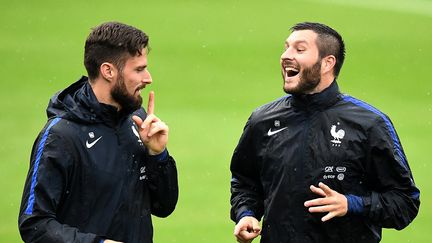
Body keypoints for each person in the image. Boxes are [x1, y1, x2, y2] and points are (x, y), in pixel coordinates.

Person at [230, 22, 420, 243]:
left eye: (299, 49)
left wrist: (351, 204)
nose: (285, 56)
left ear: (327, 62)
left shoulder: (370, 124)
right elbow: (245, 182)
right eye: (286, 47)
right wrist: (247, 214)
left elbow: (405, 202)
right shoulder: (262, 120)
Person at [18, 21, 178, 243]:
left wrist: (158, 156)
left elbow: (164, 206)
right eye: (139, 69)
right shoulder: (61, 136)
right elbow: (34, 224)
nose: (148, 78)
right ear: (108, 71)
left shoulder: (137, 121)